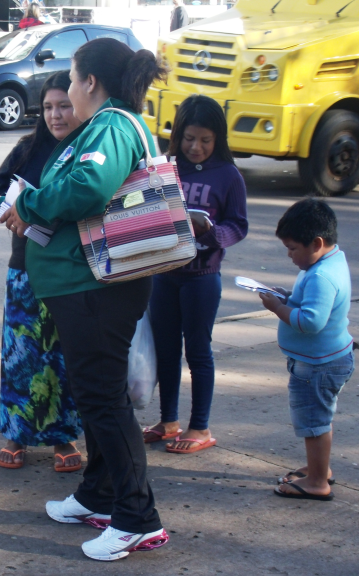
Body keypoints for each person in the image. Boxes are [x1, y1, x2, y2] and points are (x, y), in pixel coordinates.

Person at [0, 38, 169, 561]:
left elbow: (88, 187)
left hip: (96, 289)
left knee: (103, 400)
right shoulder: (105, 124)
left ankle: (137, 519)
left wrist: (30, 203)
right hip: (83, 286)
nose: (68, 93)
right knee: (95, 395)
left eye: (73, 78)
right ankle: (99, 494)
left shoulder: (111, 125)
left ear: (90, 82)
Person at [0, 71, 84, 472]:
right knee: (21, 356)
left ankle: (64, 437)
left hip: (70, 272)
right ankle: (16, 435)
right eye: (47, 107)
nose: (55, 115)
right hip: (24, 269)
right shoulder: (27, 149)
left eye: (64, 106)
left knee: (62, 357)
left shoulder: (87, 151)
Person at [144, 94, 248, 454]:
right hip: (164, 274)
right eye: (189, 138)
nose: (196, 147)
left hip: (202, 278)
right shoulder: (167, 168)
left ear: (218, 138)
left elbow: (238, 225)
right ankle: (168, 421)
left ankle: (200, 427)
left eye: (205, 140)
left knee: (198, 351)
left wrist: (211, 232)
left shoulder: (229, 175)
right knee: (166, 350)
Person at [261, 199, 355, 501]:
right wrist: (288, 297)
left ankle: (317, 482)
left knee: (314, 423)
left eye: (292, 248)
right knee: (318, 419)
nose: (289, 255)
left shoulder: (320, 275)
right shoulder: (330, 261)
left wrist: (278, 308)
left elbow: (311, 321)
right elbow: (311, 302)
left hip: (317, 366)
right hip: (327, 360)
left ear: (316, 243)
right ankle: (319, 469)